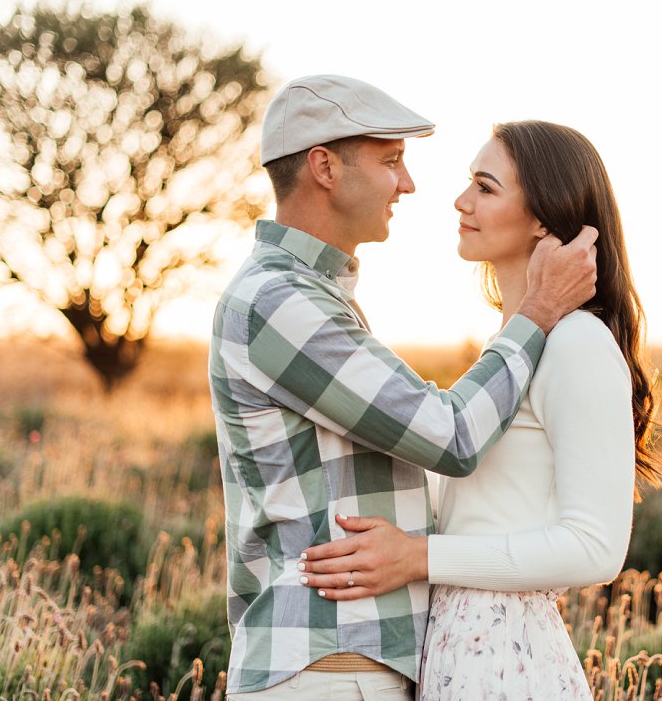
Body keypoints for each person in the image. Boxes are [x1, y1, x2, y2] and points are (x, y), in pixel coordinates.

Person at [208, 76, 599, 701]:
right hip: (329, 669)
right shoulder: (279, 302)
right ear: (324, 167)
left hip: (342, 668)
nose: (410, 184)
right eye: (391, 161)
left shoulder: (308, 298)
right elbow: (450, 434)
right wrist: (537, 312)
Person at [298, 120, 662, 700]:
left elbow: (596, 547)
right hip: (454, 649)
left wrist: (418, 557)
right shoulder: (513, 349)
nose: (460, 200)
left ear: (545, 217)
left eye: (486, 187)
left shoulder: (578, 344)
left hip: (508, 660)